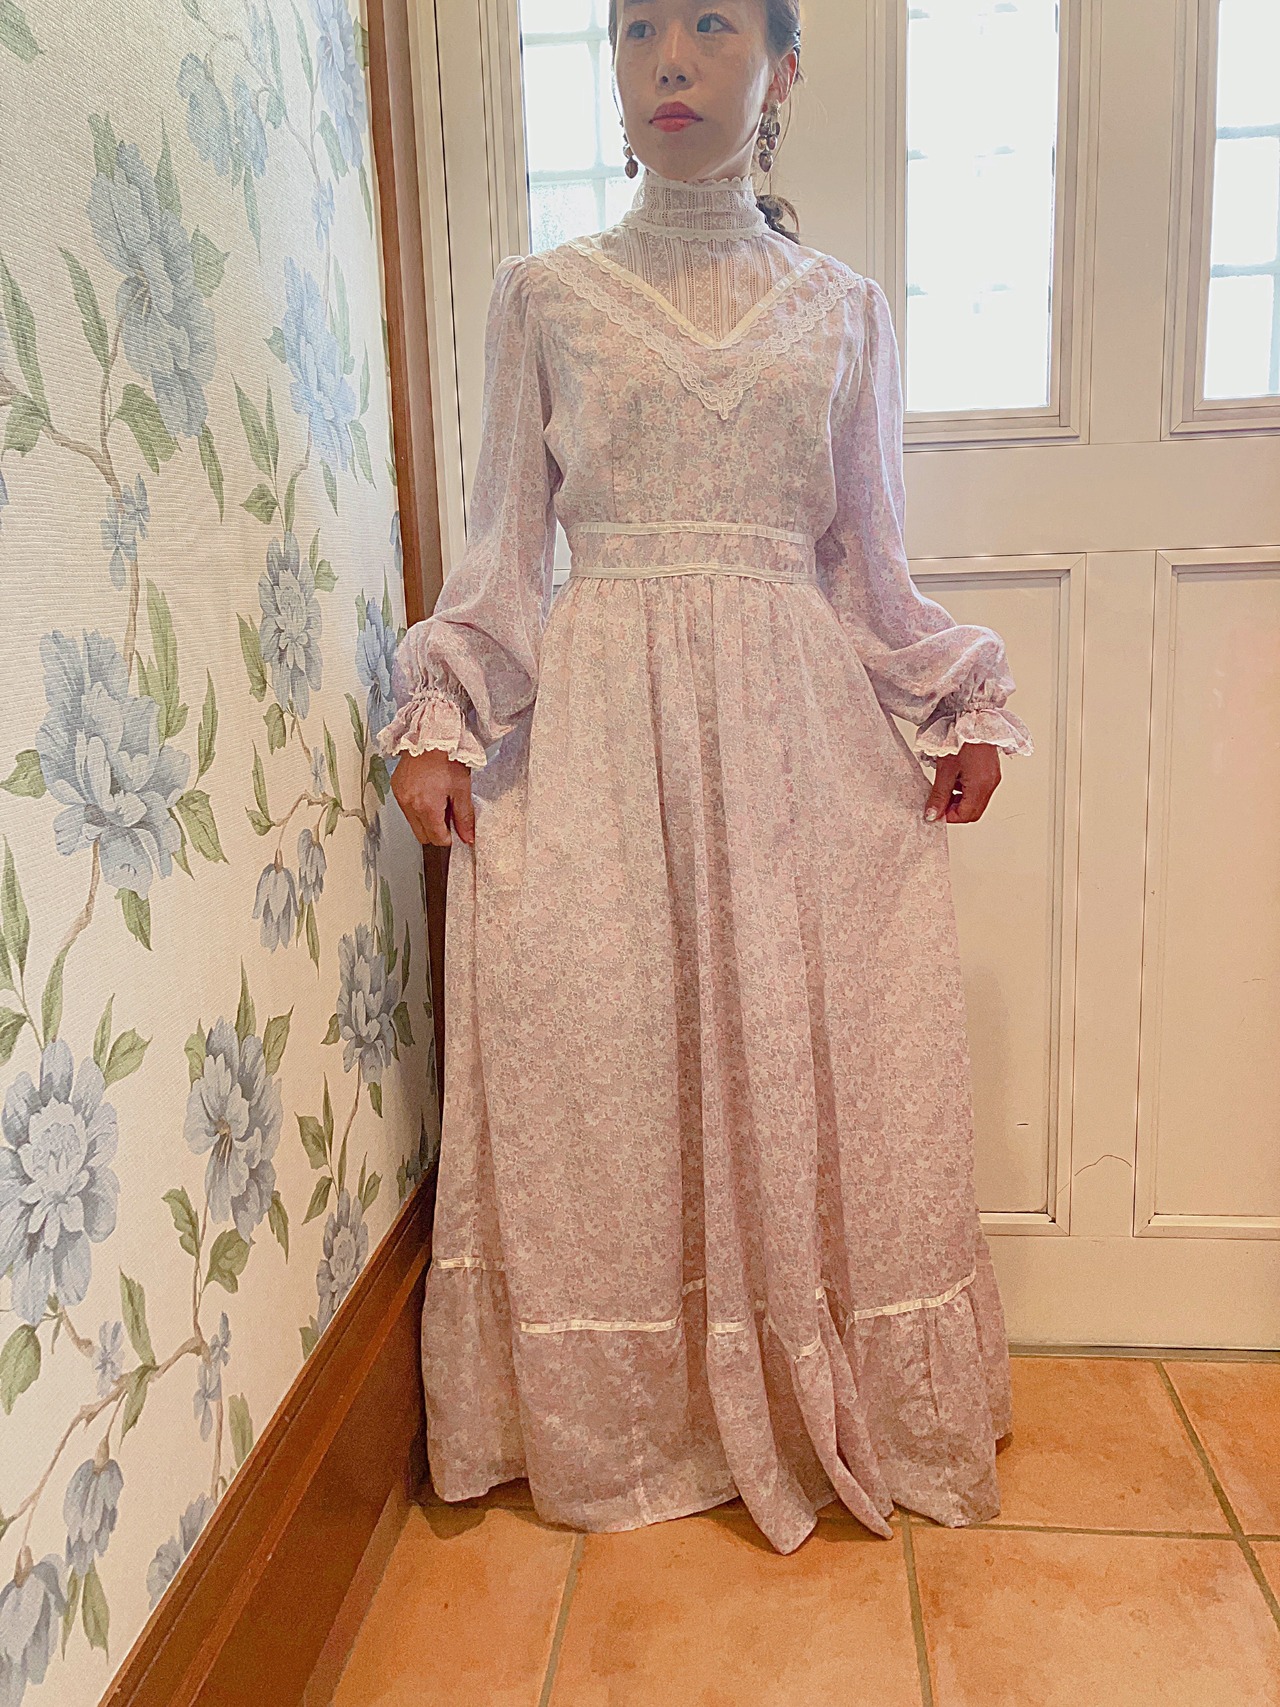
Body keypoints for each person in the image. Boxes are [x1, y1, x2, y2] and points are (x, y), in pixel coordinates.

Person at [379, 0, 1034, 1557]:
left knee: (809, 1047)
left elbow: (869, 565)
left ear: (780, 68)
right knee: (612, 1051)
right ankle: (639, 1413)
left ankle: (821, 1371)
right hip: (602, 735)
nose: (670, 59)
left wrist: (955, 701)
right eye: (636, 30)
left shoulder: (845, 311)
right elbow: (502, 546)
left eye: (712, 25)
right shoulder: (543, 297)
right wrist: (445, 715)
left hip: (797, 744)